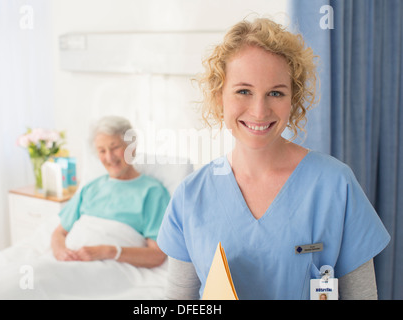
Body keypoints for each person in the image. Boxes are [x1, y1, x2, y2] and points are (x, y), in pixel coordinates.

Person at [157, 18, 390, 299]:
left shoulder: (336, 185)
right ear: (220, 96)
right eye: (244, 91)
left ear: (293, 100)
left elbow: (362, 296)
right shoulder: (190, 197)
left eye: (275, 93)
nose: (259, 111)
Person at [51, 116, 170, 268]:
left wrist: (108, 251)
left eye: (115, 148)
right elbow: (58, 233)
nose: (109, 157)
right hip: (69, 261)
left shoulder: (152, 192)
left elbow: (157, 255)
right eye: (102, 150)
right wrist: (60, 251)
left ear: (131, 148)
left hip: (108, 268)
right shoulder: (91, 188)